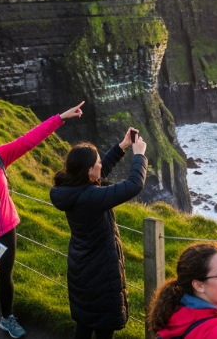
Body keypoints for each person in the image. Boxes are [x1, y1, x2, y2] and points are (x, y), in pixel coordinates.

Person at [0, 102, 85, 339]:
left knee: (5, 276)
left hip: (6, 228)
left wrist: (61, 117)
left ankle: (6, 318)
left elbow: (29, 139)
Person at [50, 128, 148, 339]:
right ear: (87, 171)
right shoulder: (90, 197)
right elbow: (133, 185)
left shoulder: (71, 189)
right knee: (104, 330)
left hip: (81, 267)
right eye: (97, 162)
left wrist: (122, 147)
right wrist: (139, 155)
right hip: (100, 273)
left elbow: (98, 174)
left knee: (84, 324)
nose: (101, 164)